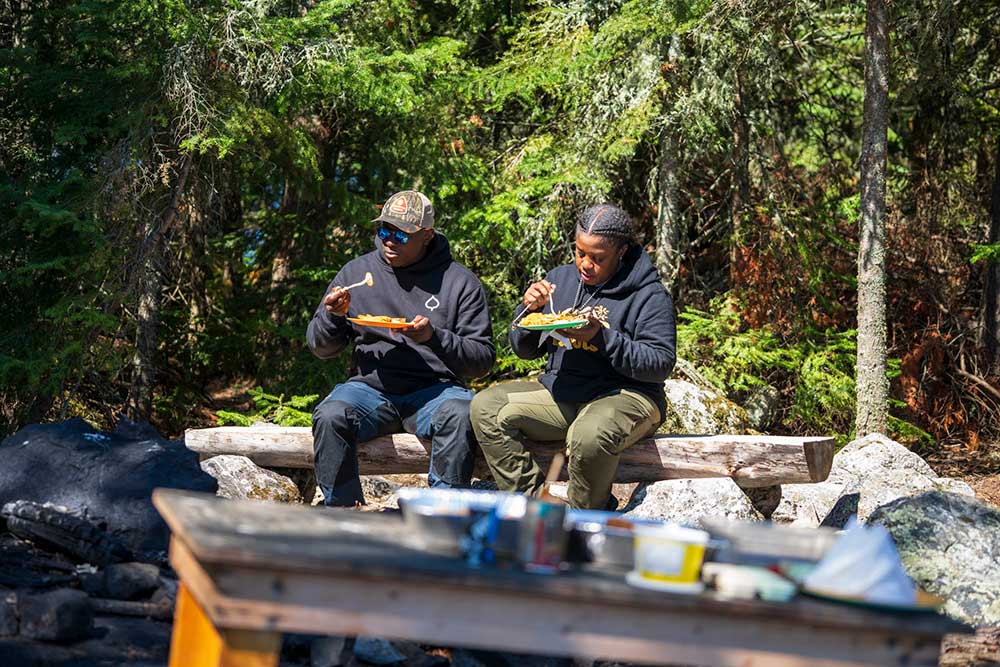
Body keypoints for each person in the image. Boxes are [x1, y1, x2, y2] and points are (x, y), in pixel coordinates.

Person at [470, 203, 676, 510]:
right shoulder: (560, 280)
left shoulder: (649, 295)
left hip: (628, 394)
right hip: (564, 391)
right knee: (486, 407)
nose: (585, 264)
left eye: (597, 258)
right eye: (580, 252)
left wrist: (602, 338)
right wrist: (529, 310)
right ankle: (538, 509)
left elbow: (659, 363)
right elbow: (524, 350)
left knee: (589, 434)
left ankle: (584, 519)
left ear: (621, 252)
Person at [307, 190, 495, 507]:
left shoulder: (459, 282)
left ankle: (442, 513)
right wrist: (333, 317)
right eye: (383, 230)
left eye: (400, 234)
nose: (389, 241)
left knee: (462, 411)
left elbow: (482, 360)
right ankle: (341, 512)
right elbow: (320, 346)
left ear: (427, 235)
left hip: (436, 391)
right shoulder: (356, 274)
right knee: (330, 414)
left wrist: (434, 338)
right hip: (371, 388)